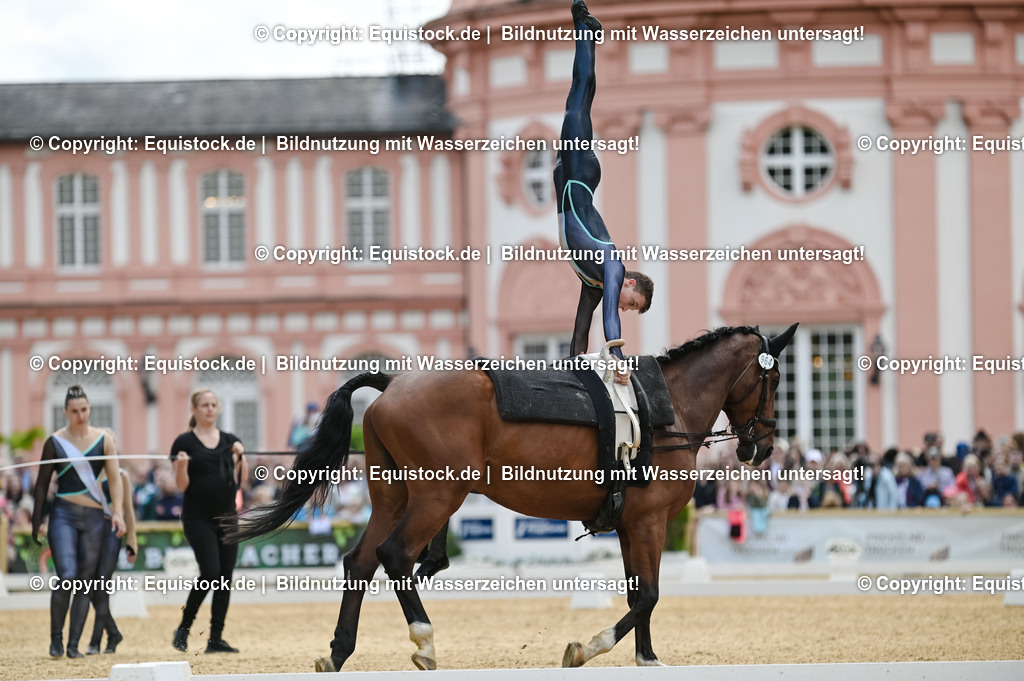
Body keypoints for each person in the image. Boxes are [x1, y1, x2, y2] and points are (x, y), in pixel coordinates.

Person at [554, 0, 653, 384]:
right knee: (579, 98)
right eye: (632, 302)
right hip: (579, 174)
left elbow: (582, 327)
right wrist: (619, 360)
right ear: (629, 283)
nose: (625, 307)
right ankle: (584, 29)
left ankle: (589, 35)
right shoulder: (613, 266)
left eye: (631, 308)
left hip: (569, 177)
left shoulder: (593, 282)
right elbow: (610, 319)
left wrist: (574, 367)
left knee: (581, 98)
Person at [31, 385, 126, 658]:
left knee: (84, 581)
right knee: (67, 577)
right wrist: (37, 520)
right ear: (66, 412)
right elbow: (42, 485)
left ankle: (73, 645)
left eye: (84, 410)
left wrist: (117, 512)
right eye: (75, 411)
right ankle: (56, 639)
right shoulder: (55, 442)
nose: (80, 415)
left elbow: (115, 479)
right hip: (63, 515)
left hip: (94, 518)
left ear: (89, 409)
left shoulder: (104, 440)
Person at [170, 387, 247, 653]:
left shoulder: (230, 440)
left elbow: (242, 479)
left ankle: (215, 638)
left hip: (227, 516)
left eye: (214, 404)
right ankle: (184, 628)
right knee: (211, 572)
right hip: (197, 517)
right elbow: (182, 486)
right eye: (205, 405)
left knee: (225, 576)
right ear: (194, 409)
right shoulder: (184, 443)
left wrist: (240, 456)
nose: (210, 409)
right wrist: (182, 466)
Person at [87, 468, 138, 654]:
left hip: (112, 531)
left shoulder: (121, 474)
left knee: (101, 584)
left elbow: (128, 510)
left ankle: (95, 640)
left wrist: (132, 540)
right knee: (91, 589)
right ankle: (113, 633)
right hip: (90, 532)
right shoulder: (87, 472)